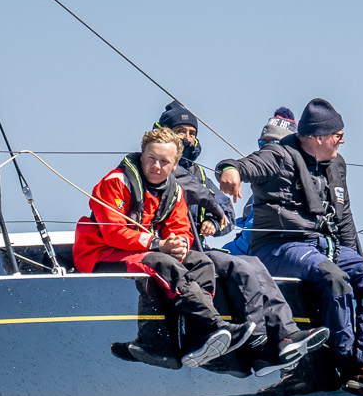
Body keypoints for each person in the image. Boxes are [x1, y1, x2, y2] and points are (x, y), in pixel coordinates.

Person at [217, 98, 363, 396]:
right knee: (332, 278)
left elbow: (344, 218)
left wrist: (357, 260)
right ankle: (346, 366)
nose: (342, 142)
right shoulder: (278, 155)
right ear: (318, 138)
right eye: (338, 136)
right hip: (280, 247)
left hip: (325, 246)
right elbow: (242, 165)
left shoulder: (337, 165)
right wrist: (230, 170)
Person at [154, 100, 327, 377]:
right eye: (180, 131)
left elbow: (227, 214)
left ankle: (285, 335)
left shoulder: (199, 174)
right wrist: (213, 207)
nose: (187, 138)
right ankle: (259, 345)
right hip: (168, 251)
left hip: (198, 250)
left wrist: (214, 222)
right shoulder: (157, 167)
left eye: (192, 132)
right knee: (240, 267)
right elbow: (196, 192)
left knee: (254, 264)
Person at [75, 128, 249, 370]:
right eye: (151, 158)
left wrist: (180, 245)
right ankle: (213, 326)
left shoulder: (173, 192)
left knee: (201, 263)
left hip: (138, 250)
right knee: (161, 263)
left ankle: (197, 339)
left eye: (164, 161)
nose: (156, 166)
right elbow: (112, 232)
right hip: (99, 253)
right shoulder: (115, 182)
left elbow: (180, 227)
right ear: (142, 156)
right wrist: (159, 245)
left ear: (175, 164)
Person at [223, 109, 296, 256]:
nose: (267, 149)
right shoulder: (255, 197)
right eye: (263, 143)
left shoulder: (303, 188)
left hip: (275, 255)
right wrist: (229, 168)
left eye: (274, 143)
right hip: (243, 253)